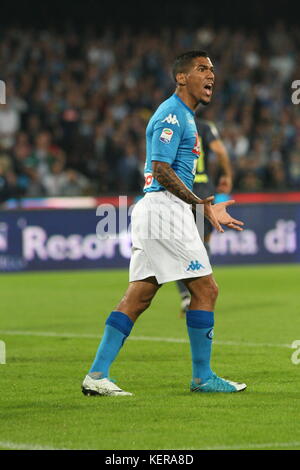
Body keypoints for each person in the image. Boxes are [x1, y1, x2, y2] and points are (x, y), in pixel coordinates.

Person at [82, 50, 246, 396]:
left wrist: (201, 208)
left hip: (159, 211)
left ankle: (96, 375)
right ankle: (202, 377)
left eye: (212, 70)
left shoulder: (186, 117)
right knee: (206, 289)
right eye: (202, 69)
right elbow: (161, 169)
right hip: (165, 211)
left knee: (139, 297)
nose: (211, 76)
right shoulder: (172, 114)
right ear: (182, 77)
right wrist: (202, 204)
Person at [176, 116, 233, 315]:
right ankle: (200, 291)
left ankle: (185, 295)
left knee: (180, 243)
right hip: (203, 188)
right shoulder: (205, 127)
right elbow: (219, 150)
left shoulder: (174, 124)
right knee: (203, 242)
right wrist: (227, 175)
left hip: (180, 187)